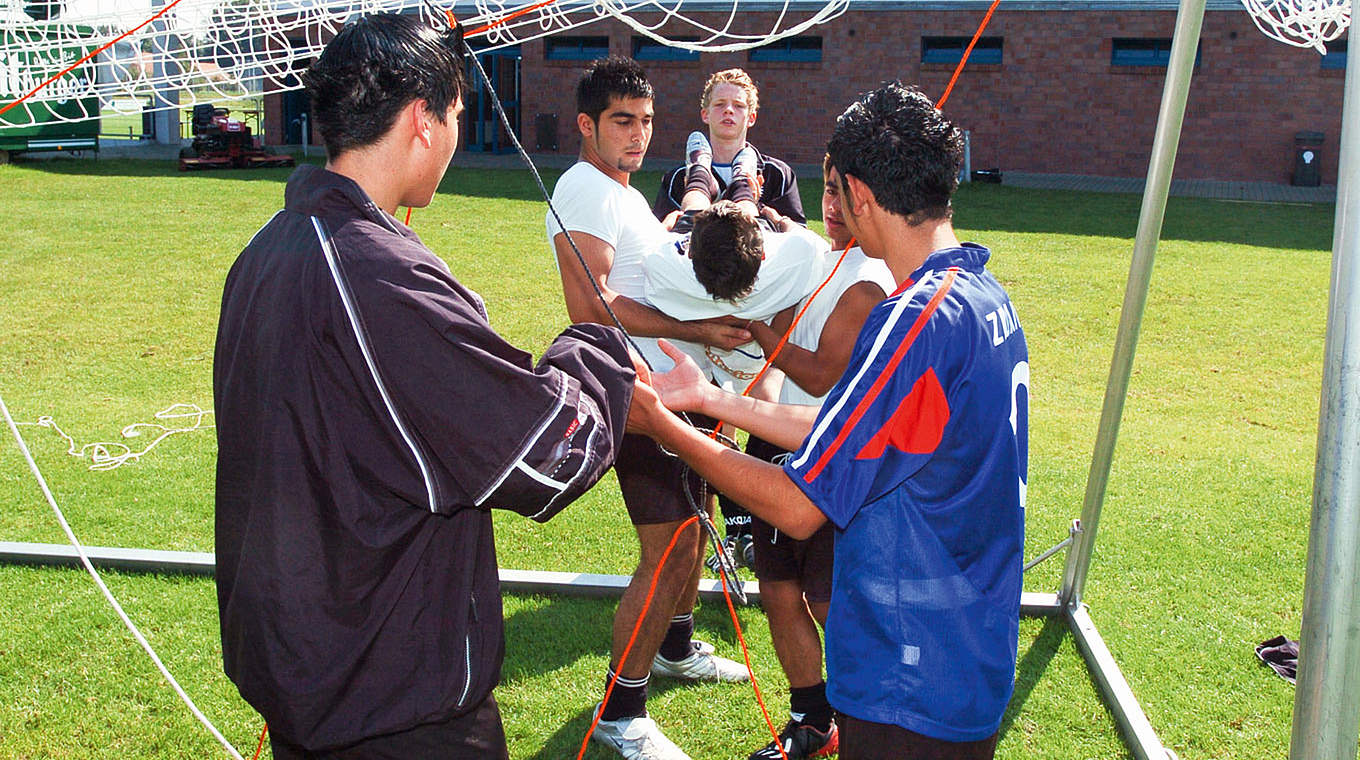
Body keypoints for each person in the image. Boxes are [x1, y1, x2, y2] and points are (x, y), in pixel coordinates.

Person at [213, 15, 644, 759]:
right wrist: (599, 351)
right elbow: (551, 460)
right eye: (457, 115)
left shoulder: (266, 248)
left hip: (312, 683)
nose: (454, 134)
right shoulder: (375, 272)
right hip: (390, 707)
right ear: (423, 119)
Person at [630, 82, 1029, 760]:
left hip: (912, 678)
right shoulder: (980, 294)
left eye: (836, 188)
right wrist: (708, 398)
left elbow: (798, 504)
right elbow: (844, 433)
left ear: (860, 196)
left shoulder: (914, 322)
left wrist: (667, 426)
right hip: (965, 654)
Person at [546, 56, 752, 760]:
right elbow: (591, 306)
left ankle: (675, 648)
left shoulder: (623, 193)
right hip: (639, 394)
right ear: (587, 125)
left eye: (647, 122)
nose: (638, 136)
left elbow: (646, 280)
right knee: (665, 550)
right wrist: (697, 333)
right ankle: (619, 712)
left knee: (692, 533)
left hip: (679, 388)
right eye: (622, 122)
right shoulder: (583, 189)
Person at [734, 156, 897, 760]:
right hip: (776, 440)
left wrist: (756, 330)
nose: (833, 207)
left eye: (846, 196)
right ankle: (811, 716)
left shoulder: (870, 278)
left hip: (830, 453)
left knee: (830, 601)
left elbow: (821, 370)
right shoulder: (812, 256)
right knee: (777, 589)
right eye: (827, 191)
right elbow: (782, 328)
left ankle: (872, 719)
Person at [653, 69, 806, 564]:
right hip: (696, 320)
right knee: (708, 417)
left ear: (751, 116)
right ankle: (729, 526)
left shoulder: (777, 172)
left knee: (764, 406)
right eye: (719, 104)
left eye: (737, 106)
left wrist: (769, 216)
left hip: (755, 323)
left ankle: (757, 522)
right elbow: (665, 241)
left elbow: (795, 241)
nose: (728, 112)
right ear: (704, 113)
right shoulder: (676, 180)